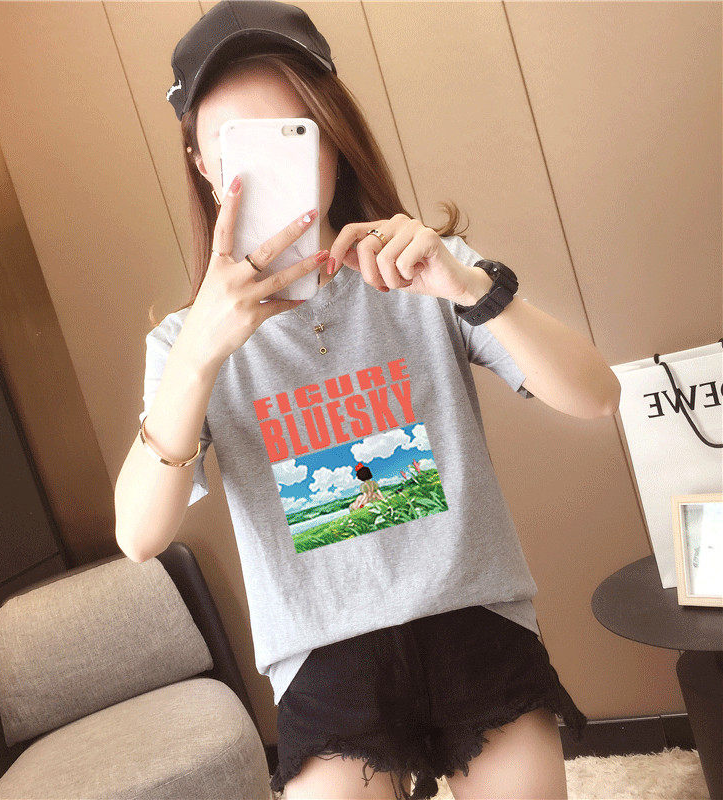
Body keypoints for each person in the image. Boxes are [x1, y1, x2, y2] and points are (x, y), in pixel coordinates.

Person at [115, 2, 620, 798]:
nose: (268, 163)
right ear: (202, 162)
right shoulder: (186, 344)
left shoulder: (428, 270)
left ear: (332, 139)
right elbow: (139, 536)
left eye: (293, 132)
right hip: (323, 659)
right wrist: (200, 354)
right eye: (236, 142)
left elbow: (597, 395)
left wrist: (469, 287)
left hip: (474, 618)